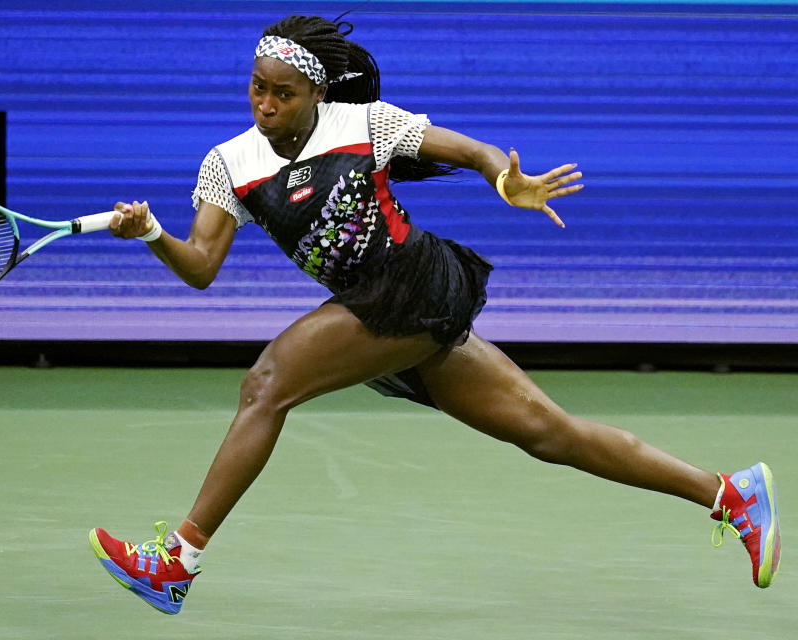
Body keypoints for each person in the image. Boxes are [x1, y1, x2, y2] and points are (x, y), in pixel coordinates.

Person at [88, 15, 781, 614]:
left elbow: (468, 149)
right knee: (549, 432)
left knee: (268, 384)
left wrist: (501, 176)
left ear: (316, 92)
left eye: (283, 92)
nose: (265, 103)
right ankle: (729, 493)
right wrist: (152, 234)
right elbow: (202, 267)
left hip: (414, 285)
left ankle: (178, 560)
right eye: (257, 87)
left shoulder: (365, 123)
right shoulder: (228, 164)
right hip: (374, 311)